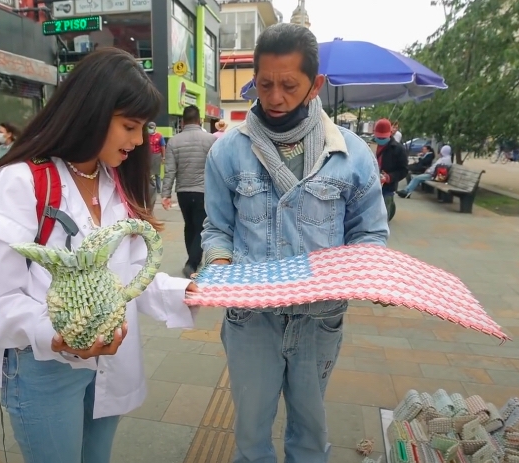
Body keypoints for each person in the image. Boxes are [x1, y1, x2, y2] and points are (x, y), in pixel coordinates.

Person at [0, 48, 198, 463]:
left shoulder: (116, 182)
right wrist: (58, 334)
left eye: (142, 127)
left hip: (112, 359)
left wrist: (187, 291)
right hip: (42, 367)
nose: (138, 141)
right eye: (129, 126)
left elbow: (125, 277)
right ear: (91, 112)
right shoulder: (21, 182)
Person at [200, 23, 389, 463]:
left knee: (310, 435)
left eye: (289, 85)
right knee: (250, 436)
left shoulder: (350, 154)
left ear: (315, 84)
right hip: (251, 319)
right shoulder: (227, 151)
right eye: (265, 84)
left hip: (319, 319)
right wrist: (220, 266)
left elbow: (369, 232)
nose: (275, 97)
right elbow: (217, 228)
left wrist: (373, 272)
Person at [161, 105, 216, 277]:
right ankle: (192, 263)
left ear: (183, 122)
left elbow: (170, 170)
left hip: (183, 191)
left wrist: (165, 194)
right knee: (201, 226)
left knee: (189, 226)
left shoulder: (174, 141)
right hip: (204, 191)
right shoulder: (211, 140)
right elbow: (217, 167)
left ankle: (193, 260)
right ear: (199, 120)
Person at [372, 118, 408, 212]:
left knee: (384, 213)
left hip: (387, 188)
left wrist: (389, 177)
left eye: (383, 138)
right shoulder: (369, 145)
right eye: (379, 137)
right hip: (370, 186)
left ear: (390, 133)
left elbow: (403, 170)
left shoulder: (398, 149)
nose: (380, 140)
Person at [147, 121, 166, 193]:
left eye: (152, 128)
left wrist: (163, 157)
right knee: (148, 173)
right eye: (149, 128)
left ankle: (158, 189)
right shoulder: (146, 136)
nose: (150, 129)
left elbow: (163, 147)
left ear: (155, 128)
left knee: (157, 173)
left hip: (157, 155)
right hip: (148, 156)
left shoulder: (159, 136)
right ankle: (151, 188)